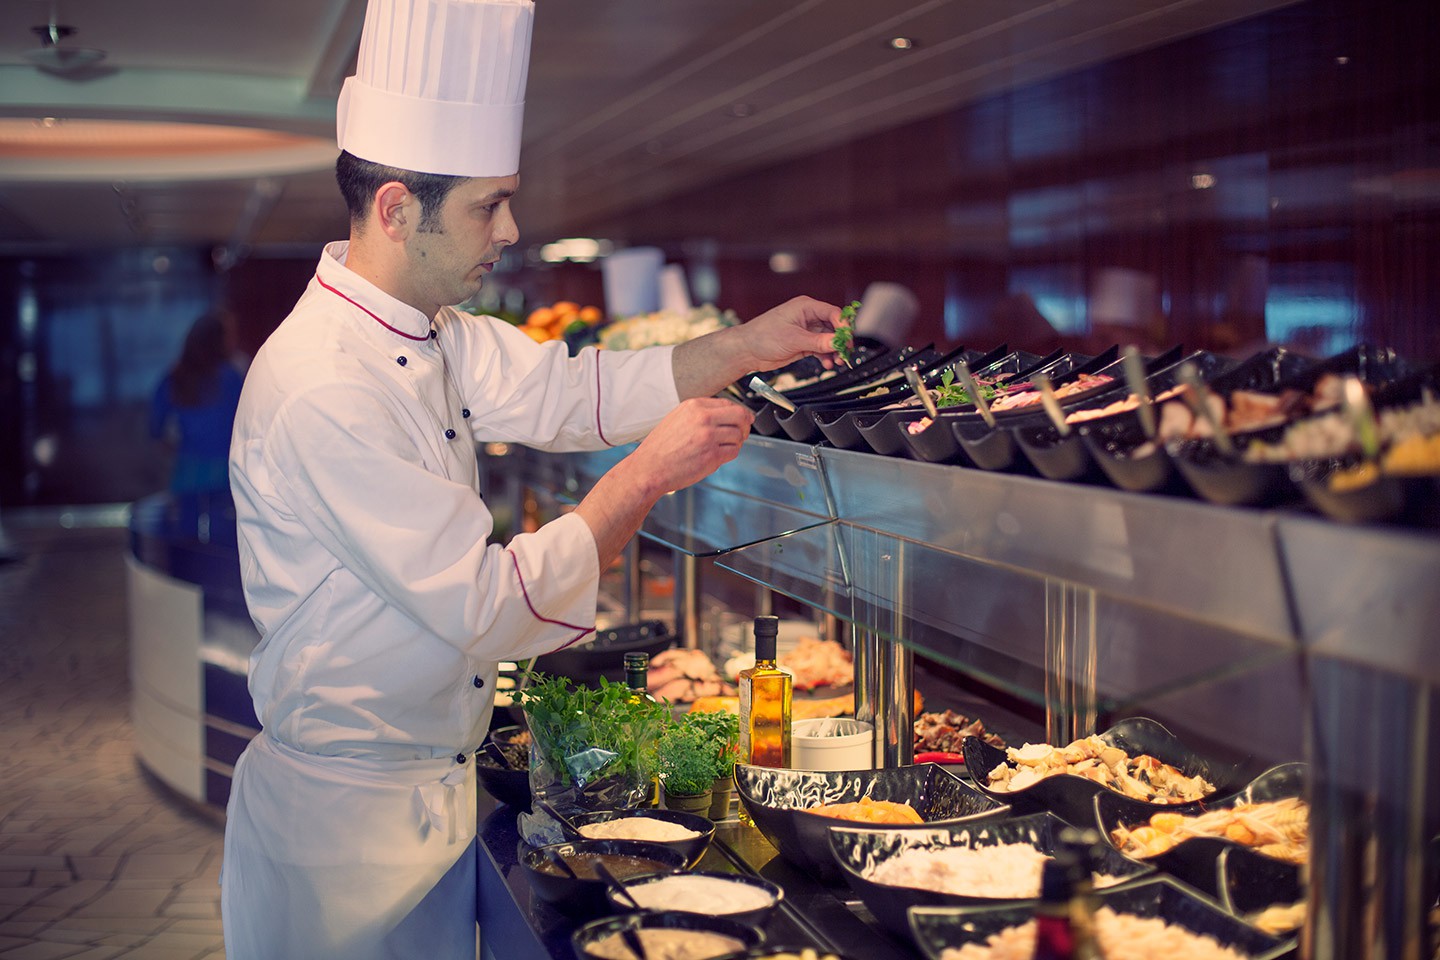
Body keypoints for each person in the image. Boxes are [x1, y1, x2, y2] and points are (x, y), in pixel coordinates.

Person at [218, 1, 842, 957]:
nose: (509, 228)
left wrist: (751, 344)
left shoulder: (431, 332)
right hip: (344, 840)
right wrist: (641, 478)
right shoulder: (319, 386)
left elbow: (573, 392)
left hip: (428, 793)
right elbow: (484, 602)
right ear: (395, 208)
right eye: (485, 204)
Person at [149, 309, 245, 498]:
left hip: (187, 474)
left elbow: (155, 429)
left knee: (187, 526)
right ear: (219, 341)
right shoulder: (231, 377)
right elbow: (248, 424)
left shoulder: (174, 379)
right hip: (225, 474)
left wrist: (182, 447)